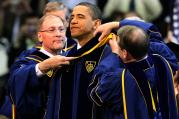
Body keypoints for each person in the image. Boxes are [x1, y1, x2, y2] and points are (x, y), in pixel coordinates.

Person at [88, 25, 179, 119]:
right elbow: (151, 32)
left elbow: (95, 94)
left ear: (124, 53)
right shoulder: (163, 62)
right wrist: (117, 26)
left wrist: (114, 54)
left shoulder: (119, 78)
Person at [8, 14, 74, 119]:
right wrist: (43, 66)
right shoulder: (28, 60)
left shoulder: (73, 59)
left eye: (61, 29)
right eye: (51, 30)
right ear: (40, 36)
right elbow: (15, 80)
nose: (58, 34)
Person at [58, 2, 113, 119]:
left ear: (96, 23)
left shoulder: (108, 54)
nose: (73, 21)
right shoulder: (65, 56)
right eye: (71, 17)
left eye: (80, 17)